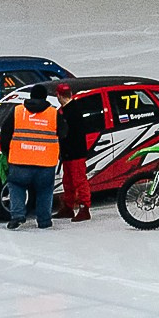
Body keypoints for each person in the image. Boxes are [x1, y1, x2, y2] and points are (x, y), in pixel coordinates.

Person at [0, 83, 61, 230]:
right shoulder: (53, 113)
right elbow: (64, 133)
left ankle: (17, 216)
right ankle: (44, 221)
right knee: (44, 190)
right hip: (45, 162)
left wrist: (7, 151)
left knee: (16, 186)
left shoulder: (18, 111)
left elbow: (5, 132)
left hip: (19, 160)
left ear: (31, 96)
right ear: (45, 97)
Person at [57, 90, 100, 222]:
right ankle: (69, 207)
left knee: (78, 180)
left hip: (75, 152)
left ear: (59, 96)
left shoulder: (71, 111)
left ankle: (84, 208)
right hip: (70, 152)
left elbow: (69, 133)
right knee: (68, 180)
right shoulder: (71, 109)